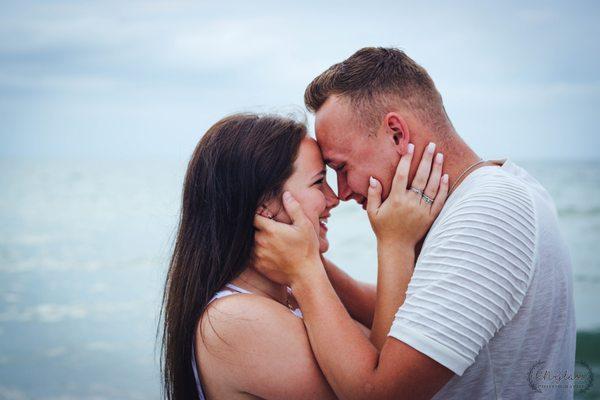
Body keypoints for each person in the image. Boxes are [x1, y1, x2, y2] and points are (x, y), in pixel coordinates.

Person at [253, 47, 576, 399]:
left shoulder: (488, 213)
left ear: (395, 133)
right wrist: (302, 254)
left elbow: (382, 394)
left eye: (342, 168)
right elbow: (409, 311)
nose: (342, 192)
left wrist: (304, 273)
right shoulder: (481, 197)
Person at [159, 112, 448, 399]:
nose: (334, 198)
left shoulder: (291, 286)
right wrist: (395, 244)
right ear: (264, 207)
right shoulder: (235, 320)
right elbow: (386, 384)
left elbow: (405, 318)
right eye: (318, 181)